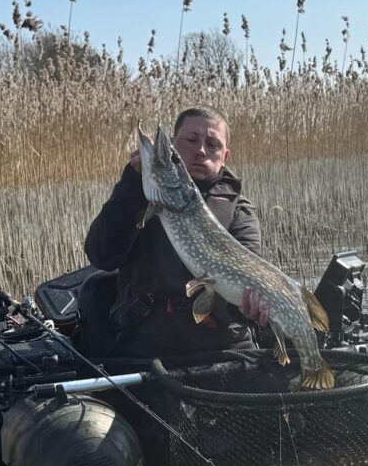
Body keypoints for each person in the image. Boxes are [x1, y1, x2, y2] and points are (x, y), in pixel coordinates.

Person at [84, 107, 270, 356]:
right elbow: (102, 256)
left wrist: (252, 308)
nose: (201, 150)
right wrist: (131, 184)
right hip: (148, 340)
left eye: (212, 144)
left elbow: (250, 276)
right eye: (191, 140)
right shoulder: (143, 194)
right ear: (172, 144)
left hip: (224, 343)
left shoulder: (239, 211)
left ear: (225, 156)